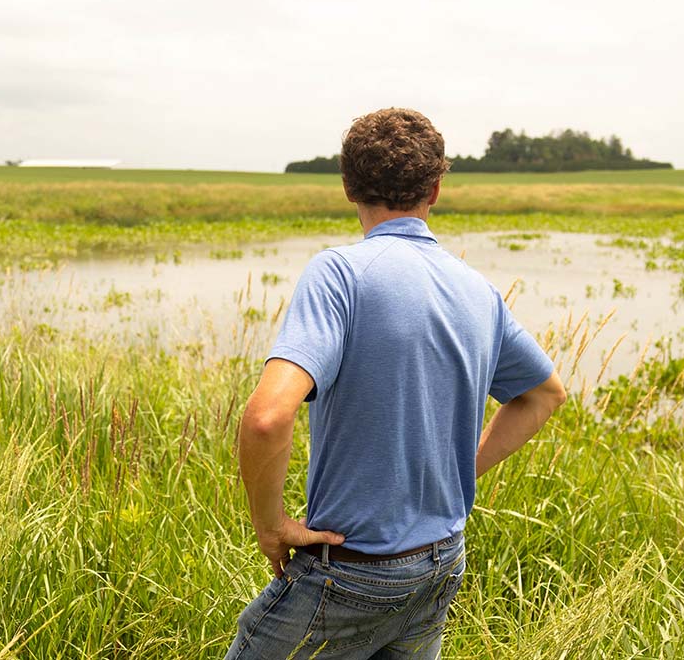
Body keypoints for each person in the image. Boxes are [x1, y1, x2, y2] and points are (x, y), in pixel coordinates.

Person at [224, 108, 566, 659]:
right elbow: (544, 395)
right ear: (435, 189)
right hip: (440, 561)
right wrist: (461, 471)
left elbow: (267, 417)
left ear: (347, 187)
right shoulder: (477, 290)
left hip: (352, 573)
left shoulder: (338, 274)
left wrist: (272, 526)